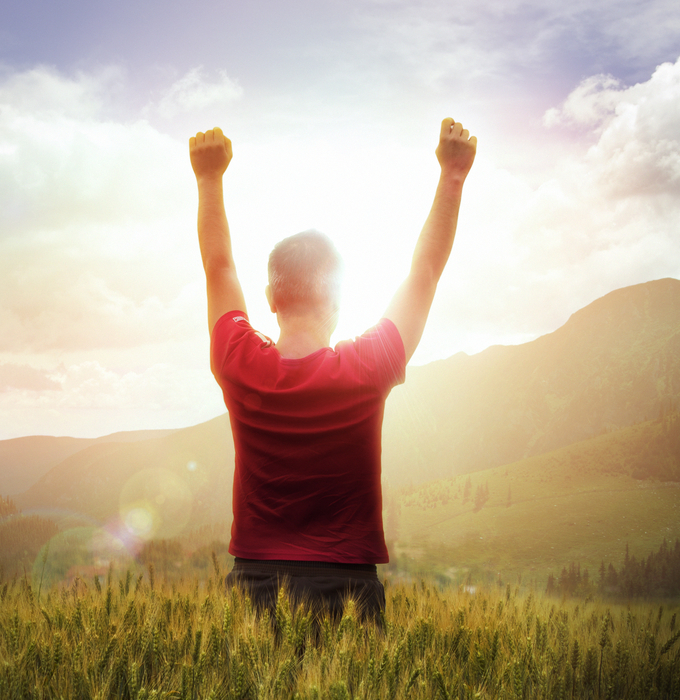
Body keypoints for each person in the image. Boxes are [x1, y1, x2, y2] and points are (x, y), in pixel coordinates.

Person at [190, 119, 476, 628]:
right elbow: (425, 272)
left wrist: (208, 177)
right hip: (349, 591)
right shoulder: (368, 366)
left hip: (253, 588)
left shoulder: (238, 360)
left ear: (272, 299)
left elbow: (219, 269)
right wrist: (452, 174)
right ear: (339, 300)